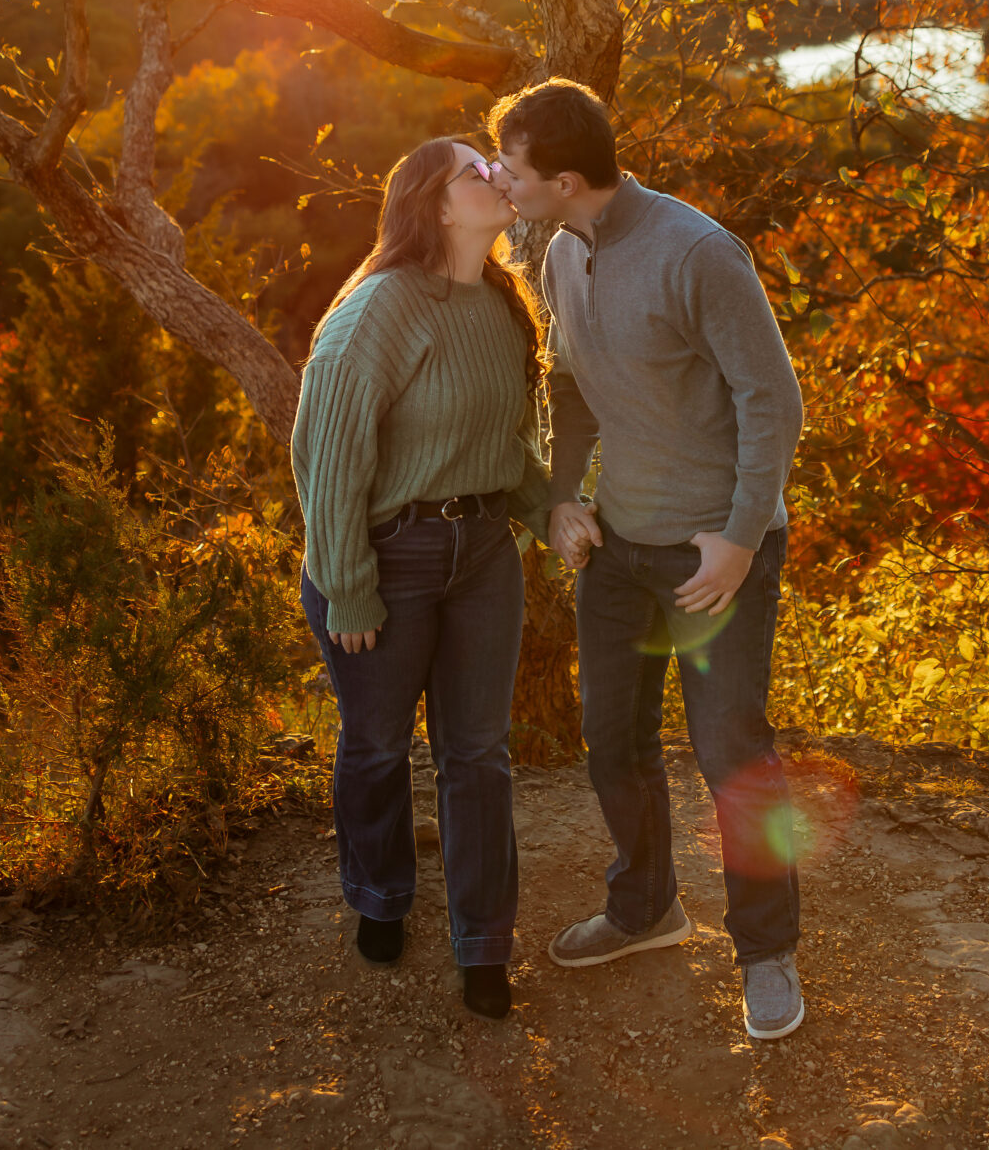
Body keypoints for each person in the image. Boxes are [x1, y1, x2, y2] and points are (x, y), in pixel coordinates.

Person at [488, 80, 811, 1041]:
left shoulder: (699, 252)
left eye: (512, 166)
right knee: (612, 739)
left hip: (716, 553)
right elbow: (573, 384)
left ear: (566, 177)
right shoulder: (557, 248)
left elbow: (773, 400)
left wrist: (743, 537)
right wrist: (562, 497)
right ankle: (646, 909)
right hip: (620, 550)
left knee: (730, 753)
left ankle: (767, 954)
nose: (500, 177)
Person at [291, 136, 553, 1022]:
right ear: (437, 205)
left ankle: (483, 944)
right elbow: (328, 458)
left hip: (482, 555)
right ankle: (379, 895)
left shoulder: (505, 305)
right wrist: (348, 586)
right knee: (374, 745)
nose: (497, 177)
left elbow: (502, 451)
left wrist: (552, 509)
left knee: (477, 755)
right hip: (381, 559)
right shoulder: (379, 310)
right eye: (476, 170)